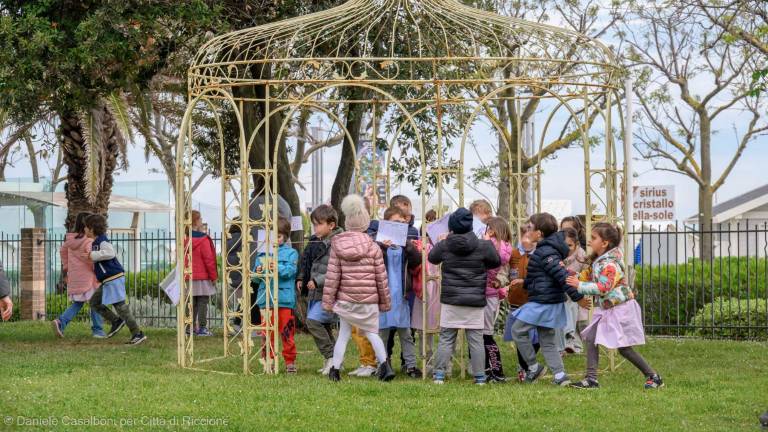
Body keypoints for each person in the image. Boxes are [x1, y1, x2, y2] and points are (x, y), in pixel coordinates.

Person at [567, 223, 664, 390]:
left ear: (605, 243)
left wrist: (579, 286)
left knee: (624, 348)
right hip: (609, 308)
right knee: (592, 339)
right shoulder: (600, 261)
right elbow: (586, 276)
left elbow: (603, 287)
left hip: (620, 309)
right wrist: (569, 274)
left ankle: (653, 376)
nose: (589, 241)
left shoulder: (610, 264)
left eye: (593, 238)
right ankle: (591, 379)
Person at [509, 213, 590, 386]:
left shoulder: (546, 251)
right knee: (547, 340)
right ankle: (560, 376)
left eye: (530, 228)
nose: (527, 231)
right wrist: (526, 284)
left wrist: (578, 298)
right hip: (546, 300)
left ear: (539, 233)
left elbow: (562, 276)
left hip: (543, 303)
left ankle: (533, 366)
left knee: (517, 330)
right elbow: (542, 275)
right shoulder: (546, 250)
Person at [322, 194, 394, 382]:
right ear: (365, 224)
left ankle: (335, 370)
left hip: (346, 300)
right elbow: (381, 277)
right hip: (368, 301)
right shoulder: (374, 247)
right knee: (372, 333)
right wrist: (385, 302)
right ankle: (385, 366)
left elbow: (332, 276)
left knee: (343, 335)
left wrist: (328, 302)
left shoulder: (337, 246)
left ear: (347, 223)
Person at [428, 208, 501, 385]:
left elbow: (432, 258)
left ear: (451, 226)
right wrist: (488, 242)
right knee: (475, 339)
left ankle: (439, 375)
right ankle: (480, 377)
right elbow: (496, 262)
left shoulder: (445, 244)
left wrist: (441, 241)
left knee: (446, 337)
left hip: (451, 300)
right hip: (475, 300)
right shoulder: (482, 245)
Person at [372, 206, 423, 378]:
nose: (400, 226)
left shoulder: (405, 245)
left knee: (406, 333)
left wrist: (407, 244)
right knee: (383, 333)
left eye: (402, 223)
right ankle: (383, 364)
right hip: (384, 297)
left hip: (401, 296)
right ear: (386, 224)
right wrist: (381, 246)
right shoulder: (377, 245)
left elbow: (417, 260)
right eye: (395, 223)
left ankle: (410, 366)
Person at [85, 214, 147, 345]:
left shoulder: (102, 241)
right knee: (94, 302)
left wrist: (93, 255)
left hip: (114, 279)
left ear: (92, 228)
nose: (84, 229)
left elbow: (110, 253)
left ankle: (137, 333)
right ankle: (116, 321)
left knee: (121, 307)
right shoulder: (96, 242)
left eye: (86, 227)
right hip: (108, 281)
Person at [299, 204, 344, 375]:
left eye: (319, 224)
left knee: (313, 321)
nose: (315, 228)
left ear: (331, 225)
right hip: (317, 292)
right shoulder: (319, 241)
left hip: (327, 292)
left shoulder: (336, 243)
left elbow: (336, 270)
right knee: (323, 325)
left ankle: (332, 357)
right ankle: (333, 360)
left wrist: (317, 281)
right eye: (314, 224)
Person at [253, 217, 299, 374]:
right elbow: (255, 278)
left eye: (278, 236)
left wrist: (276, 266)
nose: (275, 240)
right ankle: (268, 361)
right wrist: (258, 273)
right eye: (272, 236)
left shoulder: (292, 253)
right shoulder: (261, 254)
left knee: (287, 333)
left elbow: (290, 272)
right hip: (265, 300)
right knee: (267, 333)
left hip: (285, 301)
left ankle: (290, 361)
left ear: (285, 237)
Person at [52, 212, 105, 338]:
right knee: (96, 303)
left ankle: (61, 322)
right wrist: (99, 271)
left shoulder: (70, 240)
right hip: (89, 279)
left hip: (75, 277)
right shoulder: (88, 241)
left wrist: (66, 268)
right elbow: (91, 259)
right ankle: (98, 330)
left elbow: (63, 251)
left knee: (78, 303)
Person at [503, 224, 539, 382]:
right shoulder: (514, 254)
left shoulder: (539, 255)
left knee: (536, 338)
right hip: (517, 301)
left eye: (530, 237)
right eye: (524, 236)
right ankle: (523, 367)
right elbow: (505, 271)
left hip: (534, 301)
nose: (527, 240)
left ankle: (530, 364)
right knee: (519, 336)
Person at [482, 217, 513, 383]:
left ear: (492, 230)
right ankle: (490, 368)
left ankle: (495, 369)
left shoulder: (491, 245)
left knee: (485, 334)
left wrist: (485, 242)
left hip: (485, 292)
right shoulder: (507, 247)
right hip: (493, 293)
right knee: (486, 333)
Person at [410, 232, 441, 375]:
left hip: (437, 291)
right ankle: (428, 361)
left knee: (438, 329)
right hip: (426, 291)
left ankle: (436, 362)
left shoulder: (442, 247)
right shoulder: (421, 247)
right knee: (424, 330)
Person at [186, 211, 218, 337]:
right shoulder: (203, 239)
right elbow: (209, 260)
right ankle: (203, 328)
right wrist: (213, 277)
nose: (201, 221)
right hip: (203, 276)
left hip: (189, 275)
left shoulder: (184, 238)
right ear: (196, 221)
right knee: (203, 302)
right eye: (200, 219)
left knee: (191, 302)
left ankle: (190, 327)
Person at [562, 227, 589, 354]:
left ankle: (570, 340)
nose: (566, 248)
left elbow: (588, 273)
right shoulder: (557, 253)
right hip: (561, 291)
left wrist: (577, 276)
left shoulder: (581, 255)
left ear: (577, 244)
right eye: (564, 245)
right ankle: (569, 341)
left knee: (571, 301)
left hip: (577, 291)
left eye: (570, 245)